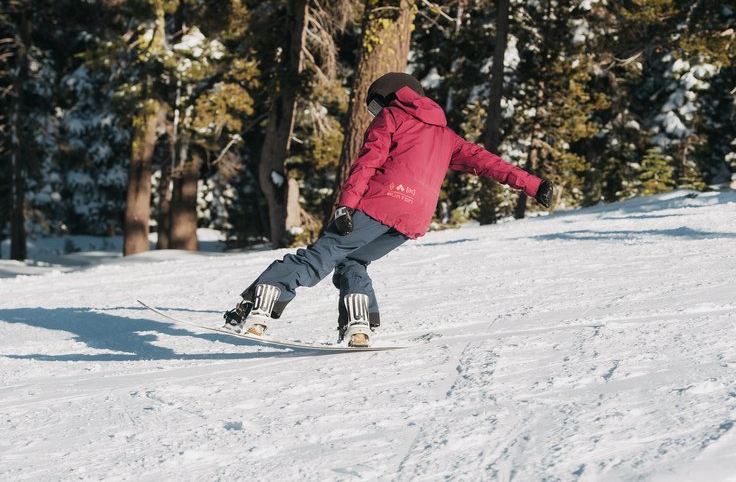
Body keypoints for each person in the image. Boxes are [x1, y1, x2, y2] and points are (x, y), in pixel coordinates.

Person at [224, 72, 553, 347]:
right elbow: (488, 163)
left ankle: (263, 301)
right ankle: (359, 324)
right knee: (354, 260)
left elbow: (368, 163)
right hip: (412, 219)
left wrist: (346, 206)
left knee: (319, 256)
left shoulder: (392, 117)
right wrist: (535, 186)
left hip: (381, 202)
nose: (374, 114)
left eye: (374, 107)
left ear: (387, 98)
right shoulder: (445, 135)